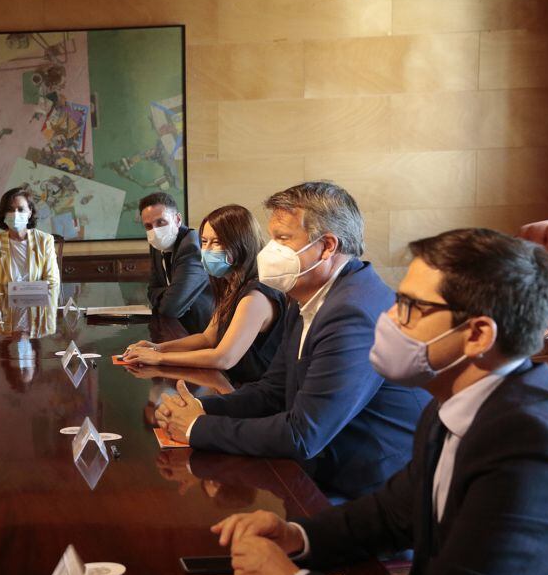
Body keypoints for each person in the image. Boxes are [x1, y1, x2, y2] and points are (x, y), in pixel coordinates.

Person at [211, 228, 548, 575]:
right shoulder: (459, 400)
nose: (388, 320)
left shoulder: (532, 443)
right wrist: (299, 536)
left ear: (478, 333)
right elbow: (393, 511)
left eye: (410, 309)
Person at [155, 182, 429, 500]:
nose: (270, 250)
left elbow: (303, 434)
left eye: (282, 239)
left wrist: (196, 427)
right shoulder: (307, 297)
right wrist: (200, 407)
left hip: (366, 493)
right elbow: (272, 392)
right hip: (322, 473)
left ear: (327, 246)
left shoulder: (352, 312)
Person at [124, 204, 286, 385]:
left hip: (258, 392)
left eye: (216, 242)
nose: (206, 250)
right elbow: (208, 338)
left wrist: (159, 358)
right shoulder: (231, 284)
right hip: (235, 384)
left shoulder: (255, 296)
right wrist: (158, 348)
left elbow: (223, 358)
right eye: (204, 241)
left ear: (241, 243)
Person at [142, 192, 215, 334]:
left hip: (200, 329)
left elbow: (171, 307)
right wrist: (170, 292)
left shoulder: (191, 247)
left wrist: (166, 294)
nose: (155, 231)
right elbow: (151, 289)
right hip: (176, 325)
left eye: (161, 222)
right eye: (148, 226)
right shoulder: (157, 245)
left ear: (177, 219)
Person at [0, 187, 61, 291]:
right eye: (10, 210)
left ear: (30, 213)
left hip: (37, 304)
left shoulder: (45, 241)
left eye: (21, 209)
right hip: (4, 305)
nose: (15, 214)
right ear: (3, 214)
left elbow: (53, 282)